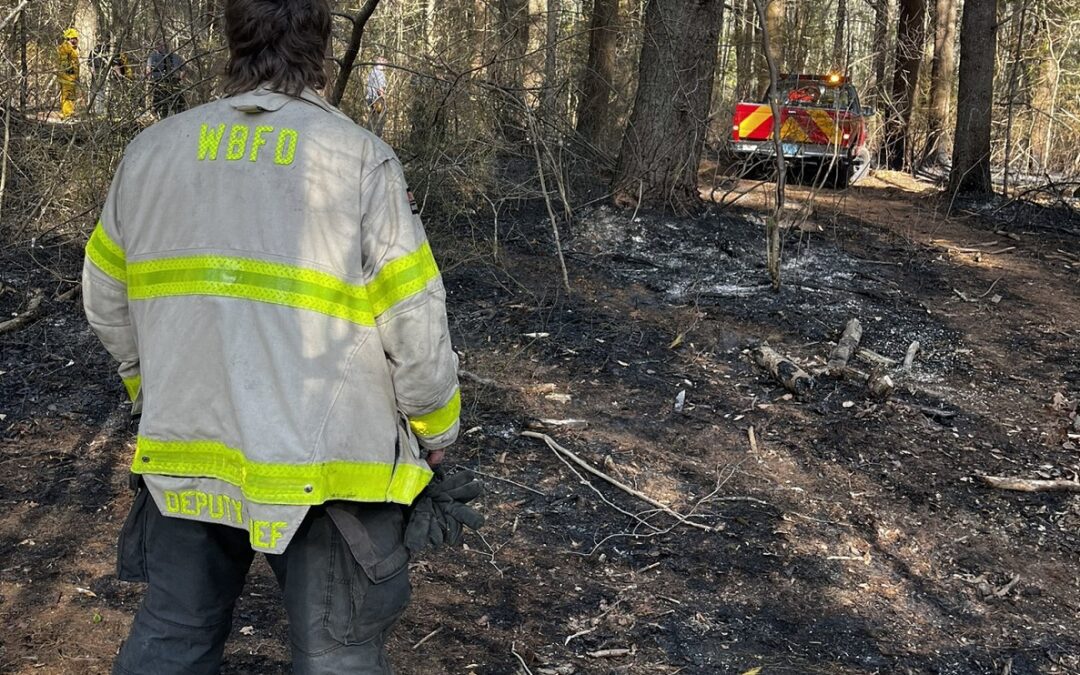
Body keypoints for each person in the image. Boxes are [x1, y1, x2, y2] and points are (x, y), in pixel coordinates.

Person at [82, 0, 472, 671]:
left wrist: (151, 388)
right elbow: (415, 320)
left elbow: (104, 296)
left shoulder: (151, 153)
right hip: (328, 474)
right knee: (337, 653)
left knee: (171, 639)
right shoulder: (358, 160)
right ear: (321, 47)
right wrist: (436, 429)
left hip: (186, 457)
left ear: (232, 40)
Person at [146, 41, 185, 118]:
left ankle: (162, 115)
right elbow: (184, 70)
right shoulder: (175, 56)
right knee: (176, 101)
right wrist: (180, 78)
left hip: (162, 82)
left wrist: (150, 79)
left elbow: (148, 69)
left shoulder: (153, 57)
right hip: (170, 82)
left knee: (160, 102)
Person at [57, 28, 80, 119]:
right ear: (69, 38)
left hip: (72, 77)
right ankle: (67, 115)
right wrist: (69, 71)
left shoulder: (73, 48)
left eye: (76, 38)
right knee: (67, 95)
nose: (76, 40)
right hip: (66, 77)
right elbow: (64, 61)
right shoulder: (65, 47)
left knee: (71, 96)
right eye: (74, 38)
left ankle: (69, 112)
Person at [365, 57, 388, 136]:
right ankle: (375, 136)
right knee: (379, 119)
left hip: (369, 98)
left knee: (371, 119)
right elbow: (380, 89)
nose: (386, 65)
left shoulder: (372, 71)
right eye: (384, 63)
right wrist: (384, 99)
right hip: (377, 99)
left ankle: (368, 133)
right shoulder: (380, 73)